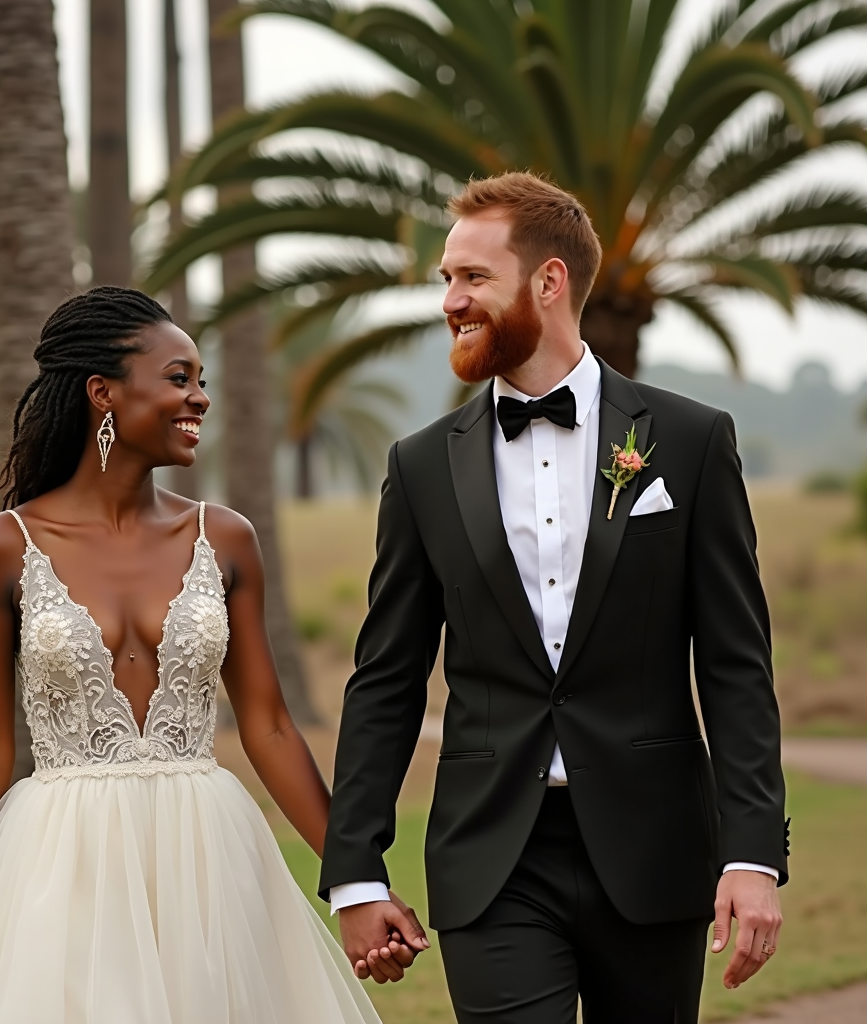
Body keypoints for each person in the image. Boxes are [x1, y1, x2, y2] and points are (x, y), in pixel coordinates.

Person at [321, 172, 789, 1022]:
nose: (451, 302)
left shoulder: (687, 441)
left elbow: (735, 665)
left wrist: (753, 854)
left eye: (472, 278)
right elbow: (387, 677)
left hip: (655, 854)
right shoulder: (422, 466)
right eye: (446, 281)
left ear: (549, 281)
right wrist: (356, 869)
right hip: (492, 856)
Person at [0, 286, 427, 1023]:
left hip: (206, 856)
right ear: (102, 392)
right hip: (58, 858)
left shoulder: (226, 537)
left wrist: (356, 883)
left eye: (202, 380)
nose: (200, 398)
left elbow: (268, 725)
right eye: (179, 378)